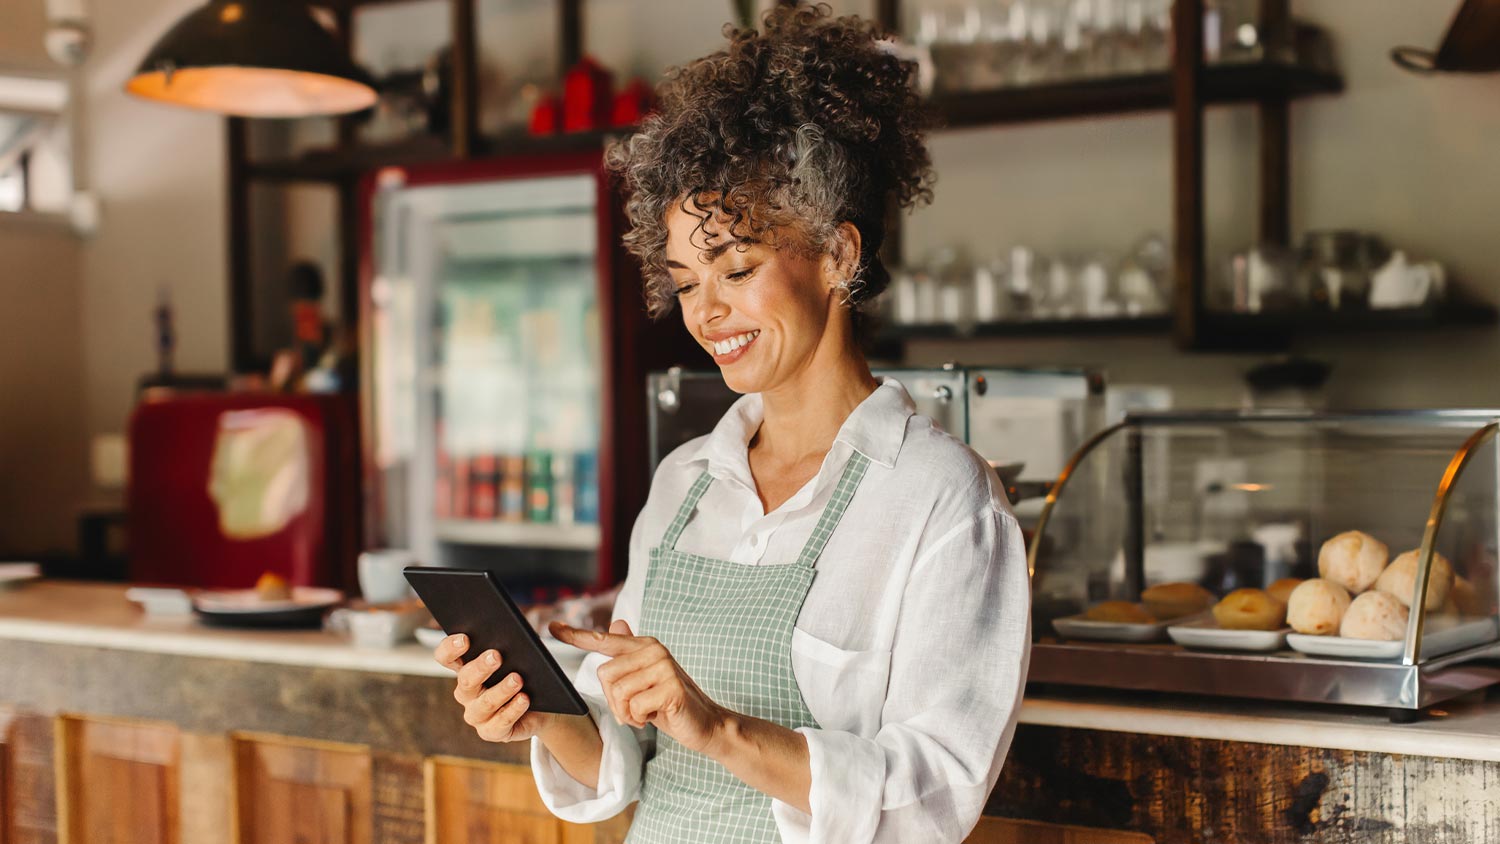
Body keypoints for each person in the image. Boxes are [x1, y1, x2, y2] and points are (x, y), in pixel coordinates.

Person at [431, 5, 1031, 841]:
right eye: (683, 281)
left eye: (738, 267)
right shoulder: (684, 484)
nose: (707, 313)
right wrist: (540, 712)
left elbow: (931, 796)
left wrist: (718, 727)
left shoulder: (937, 498)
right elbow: (625, 760)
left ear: (838, 256)